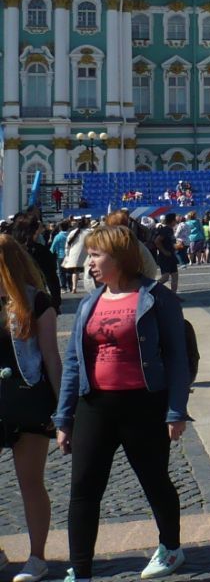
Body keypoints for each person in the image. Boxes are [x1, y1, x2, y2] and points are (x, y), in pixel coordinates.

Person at [54, 225, 190, 581]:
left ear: (120, 258)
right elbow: (73, 361)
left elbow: (178, 358)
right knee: (83, 489)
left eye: (96, 255)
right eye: (90, 255)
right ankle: (79, 569)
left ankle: (171, 548)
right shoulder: (90, 301)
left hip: (144, 404)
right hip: (95, 405)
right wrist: (64, 417)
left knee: (154, 480)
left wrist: (176, 410)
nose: (89, 263)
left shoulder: (156, 297)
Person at [0, 235, 62, 582]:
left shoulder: (37, 302)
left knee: (30, 482)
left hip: (28, 398)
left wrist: (64, 410)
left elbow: (52, 357)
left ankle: (36, 557)